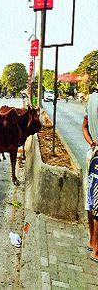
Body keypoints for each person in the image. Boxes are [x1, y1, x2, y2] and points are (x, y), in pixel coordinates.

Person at [82, 88, 98, 262]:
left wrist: (92, 142)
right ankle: (97, 250)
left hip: (92, 153)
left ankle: (91, 240)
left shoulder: (91, 99)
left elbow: (84, 127)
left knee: (91, 199)